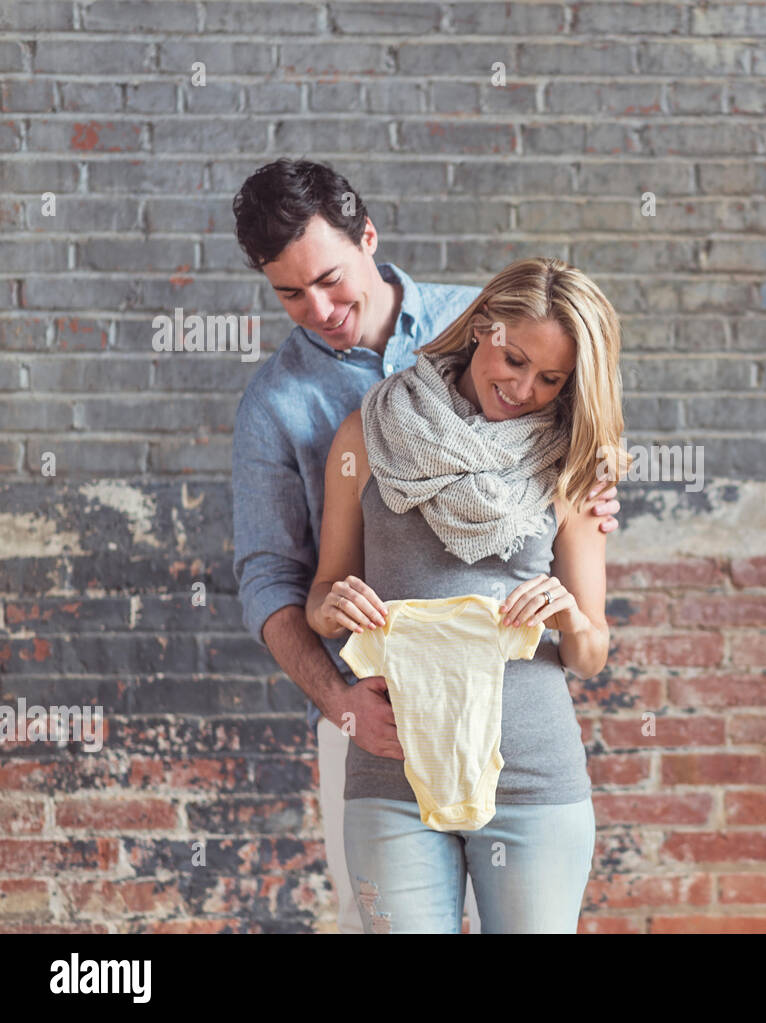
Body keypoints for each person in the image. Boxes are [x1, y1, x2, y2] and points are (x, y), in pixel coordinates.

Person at [230, 159, 620, 933]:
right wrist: (341, 703)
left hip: (526, 747)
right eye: (290, 293)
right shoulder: (290, 407)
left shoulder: (496, 327)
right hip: (379, 721)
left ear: (368, 238)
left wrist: (587, 495)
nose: (319, 307)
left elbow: (590, 632)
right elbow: (278, 580)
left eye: (332, 280)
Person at [304, 257, 628, 933]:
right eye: (513, 359)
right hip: (395, 768)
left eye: (550, 379)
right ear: (482, 326)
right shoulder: (368, 433)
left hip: (532, 777)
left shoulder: (569, 461)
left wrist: (569, 612)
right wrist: (334, 607)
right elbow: (322, 592)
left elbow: (592, 651)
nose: (522, 388)